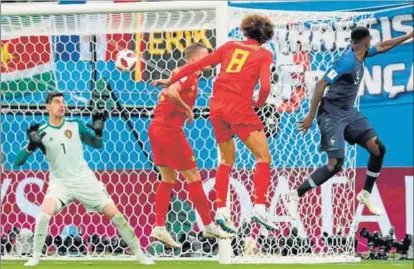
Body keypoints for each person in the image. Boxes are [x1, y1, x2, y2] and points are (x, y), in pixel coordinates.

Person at [152, 14, 277, 232]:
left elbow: (197, 64)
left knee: (226, 160)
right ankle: (259, 207)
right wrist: (259, 102)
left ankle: (221, 210)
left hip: (217, 108)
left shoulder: (229, 46)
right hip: (239, 107)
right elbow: (265, 87)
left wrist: (170, 80)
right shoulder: (264, 54)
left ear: (246, 30)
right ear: (265, 37)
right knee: (263, 156)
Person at [287, 27, 414, 219]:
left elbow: (382, 47)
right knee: (335, 165)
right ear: (365, 41)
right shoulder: (346, 61)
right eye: (370, 39)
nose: (373, 42)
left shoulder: (361, 53)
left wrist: (408, 36)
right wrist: (310, 116)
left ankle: (365, 193)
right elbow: (321, 83)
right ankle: (295, 195)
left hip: (349, 113)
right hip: (331, 115)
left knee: (378, 149)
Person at [15, 92, 154, 266]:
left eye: (64, 102)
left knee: (115, 215)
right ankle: (35, 257)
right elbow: (17, 161)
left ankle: (140, 255)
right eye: (57, 102)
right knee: (44, 215)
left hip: (84, 179)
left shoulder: (76, 125)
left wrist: (98, 131)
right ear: (48, 107)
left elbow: (97, 144)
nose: (62, 105)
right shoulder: (41, 132)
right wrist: (31, 145)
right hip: (60, 183)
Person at [149, 43, 233, 247]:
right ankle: (208, 225)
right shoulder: (191, 73)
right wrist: (187, 109)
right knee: (194, 177)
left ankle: (159, 227)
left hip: (156, 129)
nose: (209, 60)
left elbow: (170, 88)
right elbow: (172, 93)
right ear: (195, 59)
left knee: (168, 179)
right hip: (169, 130)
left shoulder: (181, 72)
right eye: (206, 56)